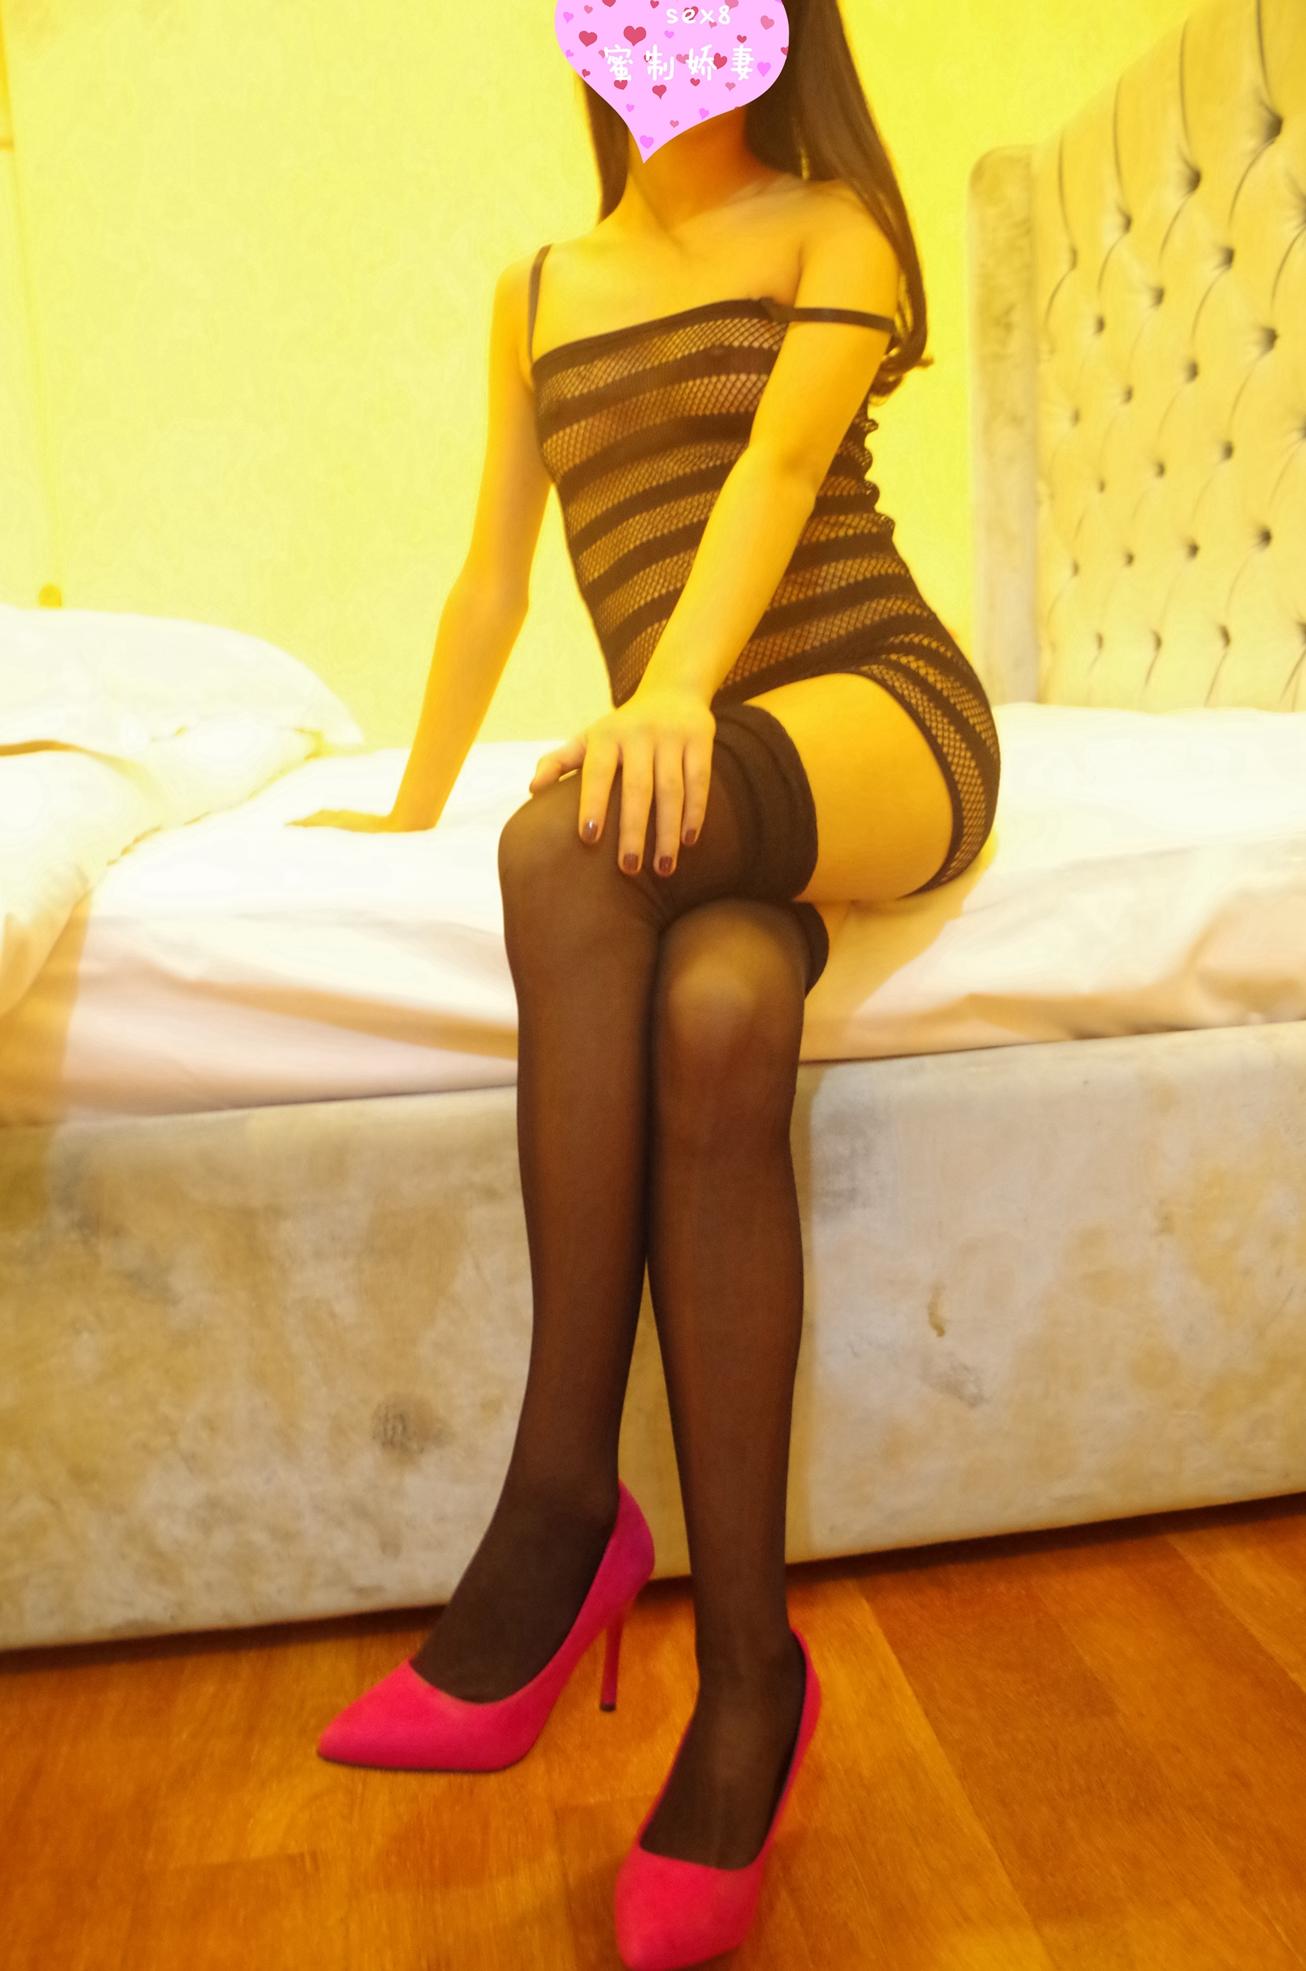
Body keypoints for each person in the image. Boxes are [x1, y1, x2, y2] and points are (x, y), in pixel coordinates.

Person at [299, 4, 1000, 1961]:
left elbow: (774, 479)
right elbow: (492, 580)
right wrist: (404, 800)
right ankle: (751, 1682)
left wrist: (672, 693)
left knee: (564, 849)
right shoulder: (536, 292)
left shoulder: (831, 229)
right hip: (698, 763)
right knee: (712, 1013)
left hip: (868, 709)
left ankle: (556, 1510)